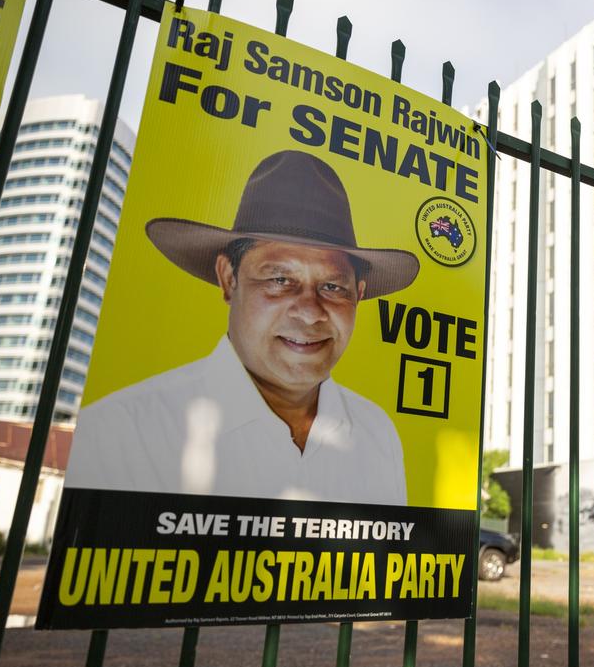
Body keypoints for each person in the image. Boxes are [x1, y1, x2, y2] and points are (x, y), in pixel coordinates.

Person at [65, 150, 420, 506]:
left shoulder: (377, 435)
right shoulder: (122, 435)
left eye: (333, 287)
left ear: (358, 295)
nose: (311, 312)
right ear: (228, 279)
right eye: (280, 279)